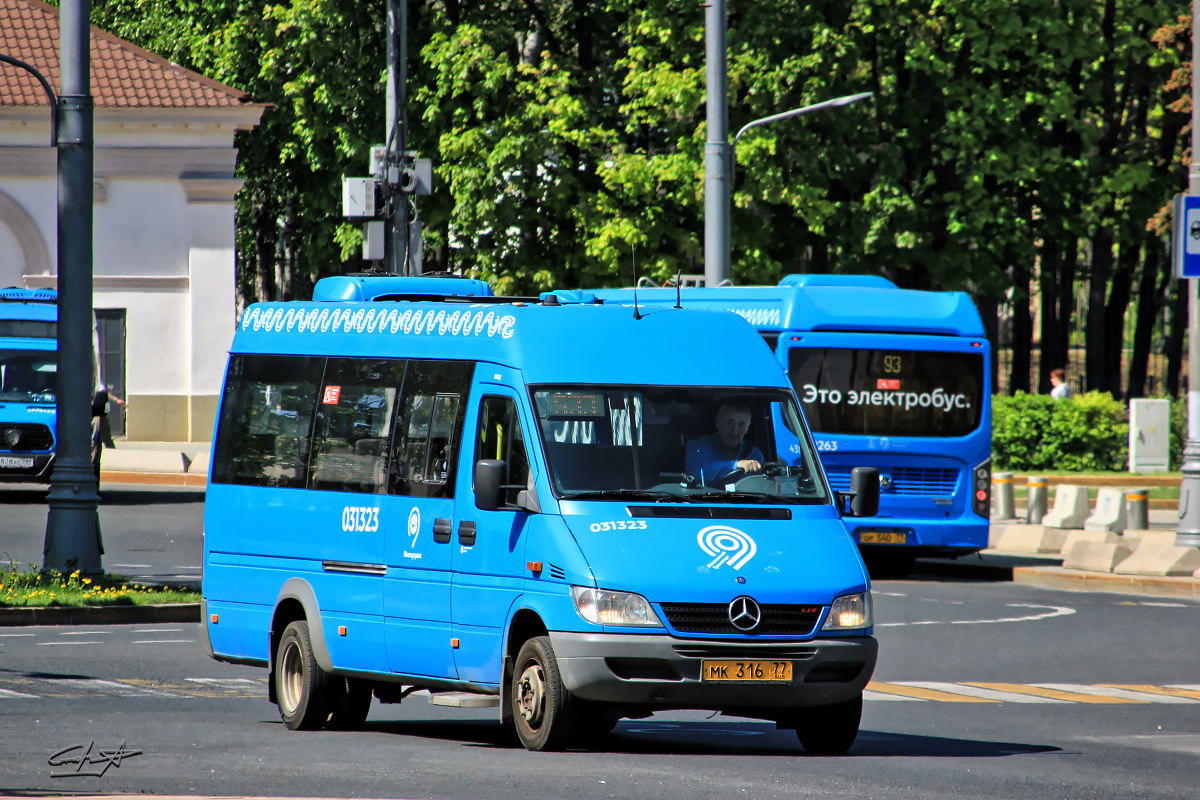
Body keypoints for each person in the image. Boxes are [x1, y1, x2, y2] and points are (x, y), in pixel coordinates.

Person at [685, 400, 764, 486]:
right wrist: (735, 465)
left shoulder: (755, 455)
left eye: (741, 424)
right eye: (730, 422)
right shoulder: (698, 448)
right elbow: (695, 474)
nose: (735, 431)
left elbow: (762, 487)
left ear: (748, 427)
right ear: (718, 422)